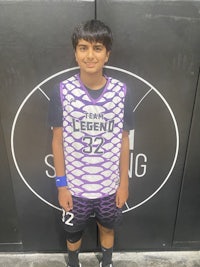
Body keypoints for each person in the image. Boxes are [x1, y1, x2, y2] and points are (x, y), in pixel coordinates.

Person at [48, 19, 133, 267]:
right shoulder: (61, 91)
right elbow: (57, 141)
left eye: (97, 48)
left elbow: (124, 139)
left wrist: (124, 183)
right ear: (75, 53)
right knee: (73, 233)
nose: (90, 55)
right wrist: (62, 186)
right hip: (75, 187)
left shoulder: (122, 91)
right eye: (83, 47)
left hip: (109, 186)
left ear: (107, 54)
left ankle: (106, 262)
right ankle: (74, 262)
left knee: (107, 228)